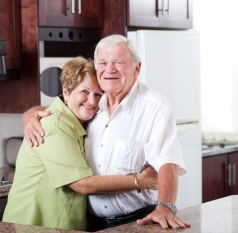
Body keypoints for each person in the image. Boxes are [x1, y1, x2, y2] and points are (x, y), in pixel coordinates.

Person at [22, 35, 191, 230]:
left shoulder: (154, 107)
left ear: (136, 68)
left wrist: (165, 207)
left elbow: (167, 162)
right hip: (91, 223)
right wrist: (29, 115)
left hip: (135, 220)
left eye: (119, 62)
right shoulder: (93, 103)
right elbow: (58, 109)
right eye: (103, 62)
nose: (110, 69)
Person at [3, 57, 158, 231]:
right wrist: (140, 181)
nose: (92, 101)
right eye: (84, 91)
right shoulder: (55, 125)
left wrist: (30, 112)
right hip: (32, 226)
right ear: (66, 92)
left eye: (98, 94)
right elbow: (82, 184)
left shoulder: (81, 121)